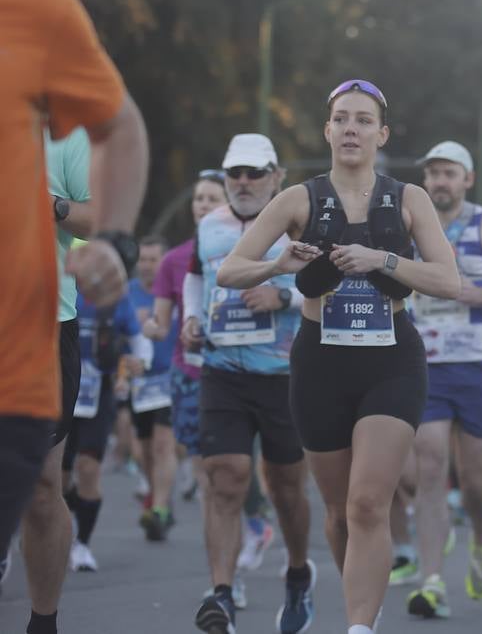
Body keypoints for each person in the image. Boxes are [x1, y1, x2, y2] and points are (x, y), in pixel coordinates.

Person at [218, 81, 460, 634]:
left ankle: (358, 626)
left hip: (391, 361)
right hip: (320, 364)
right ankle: (362, 597)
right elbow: (231, 271)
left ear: (382, 134)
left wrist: (383, 260)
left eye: (363, 120)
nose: (352, 128)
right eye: (343, 119)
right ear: (328, 131)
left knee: (368, 502)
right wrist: (278, 266)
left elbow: (449, 281)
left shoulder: (409, 199)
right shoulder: (297, 199)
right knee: (339, 512)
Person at [0, 0, 149, 634]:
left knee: (41, 487)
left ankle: (43, 621)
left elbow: (122, 133)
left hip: (34, 324)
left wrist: (108, 238)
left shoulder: (36, 11)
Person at [183, 134, 315, 634]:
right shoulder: (209, 224)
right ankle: (221, 593)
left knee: (285, 488)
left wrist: (282, 299)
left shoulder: (299, 222)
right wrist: (191, 318)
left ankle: (298, 572)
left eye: (254, 173)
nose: (242, 182)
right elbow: (196, 277)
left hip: (284, 373)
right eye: (234, 173)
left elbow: (330, 289)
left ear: (275, 176)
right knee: (226, 476)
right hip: (222, 368)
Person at [402, 139, 482, 620]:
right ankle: (432, 581)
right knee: (430, 467)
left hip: (478, 365)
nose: (439, 181)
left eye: (448, 173)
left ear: (467, 180)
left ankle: (478, 537)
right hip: (426, 364)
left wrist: (478, 294)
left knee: (476, 484)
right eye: (432, 173)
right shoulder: (409, 224)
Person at [150, 172, 227, 507]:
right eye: (199, 198)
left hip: (235, 368)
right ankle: (219, 527)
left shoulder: (247, 251)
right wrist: (149, 328)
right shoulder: (173, 260)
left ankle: (255, 515)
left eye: (212, 198)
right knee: (204, 467)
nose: (203, 205)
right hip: (190, 372)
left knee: (234, 464)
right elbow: (160, 323)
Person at [64, 286, 148, 571]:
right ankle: (67, 516)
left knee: (88, 468)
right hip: (61, 390)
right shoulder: (60, 287)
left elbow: (139, 340)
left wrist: (141, 362)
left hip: (99, 394)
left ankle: (82, 544)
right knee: (58, 480)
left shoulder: (117, 298)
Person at [127, 234, 177, 540]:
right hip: (139, 383)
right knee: (142, 449)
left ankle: (159, 507)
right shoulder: (128, 293)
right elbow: (116, 330)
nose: (146, 265)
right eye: (142, 259)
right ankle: (156, 494)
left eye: (152, 259)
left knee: (162, 444)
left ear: (164, 261)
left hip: (170, 378)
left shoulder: (174, 291)